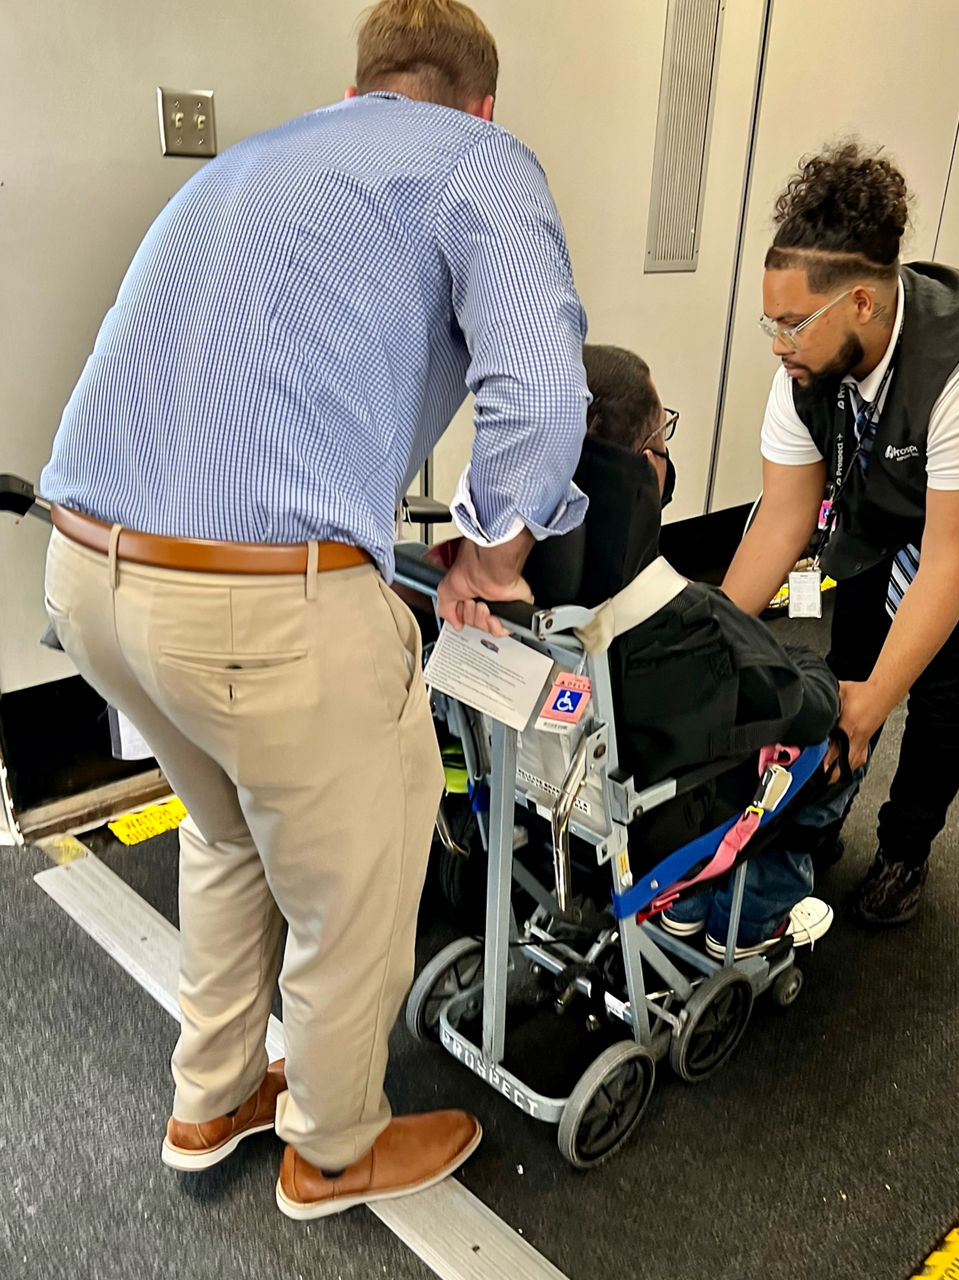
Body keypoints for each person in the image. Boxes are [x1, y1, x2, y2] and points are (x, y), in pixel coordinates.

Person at [38, 0, 590, 1220]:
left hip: (87, 580)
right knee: (354, 884)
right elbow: (546, 401)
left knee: (228, 830)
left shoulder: (250, 162)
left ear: (363, 83)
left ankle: (211, 1095)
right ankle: (333, 1147)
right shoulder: (475, 159)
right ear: (480, 101)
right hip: (253, 608)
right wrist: (489, 557)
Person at [722, 142, 959, 926]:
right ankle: (822, 816)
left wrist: (873, 706)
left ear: (860, 303)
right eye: (770, 319)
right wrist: (710, 640)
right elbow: (782, 516)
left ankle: (905, 850)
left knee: (942, 690)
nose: (776, 342)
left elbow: (947, 563)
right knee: (853, 652)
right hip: (898, 481)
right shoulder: (809, 364)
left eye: (791, 323)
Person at [576, 344, 847, 956]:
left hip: (562, 818)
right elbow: (800, 705)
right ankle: (750, 918)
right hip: (658, 825)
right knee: (826, 744)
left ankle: (685, 907)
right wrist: (816, 670)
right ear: (648, 467)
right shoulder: (690, 617)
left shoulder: (498, 596)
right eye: (663, 436)